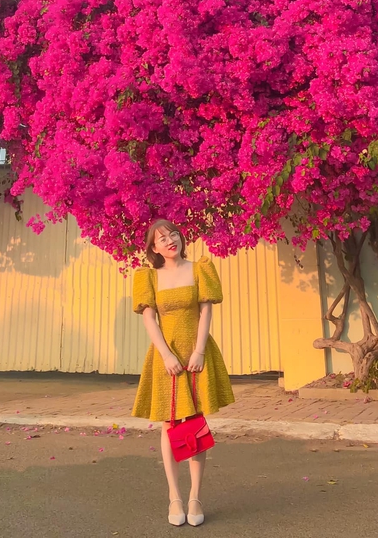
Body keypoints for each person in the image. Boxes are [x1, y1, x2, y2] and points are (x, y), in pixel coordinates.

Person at [131, 218, 235, 527]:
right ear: (153, 248)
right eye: (161, 239)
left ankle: (195, 497)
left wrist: (199, 350)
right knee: (170, 423)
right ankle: (174, 496)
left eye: (173, 234)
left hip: (197, 353)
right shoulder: (148, 277)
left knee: (196, 422)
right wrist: (165, 354)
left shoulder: (200, 268)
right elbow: (149, 320)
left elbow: (206, 311)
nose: (169, 240)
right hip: (167, 356)